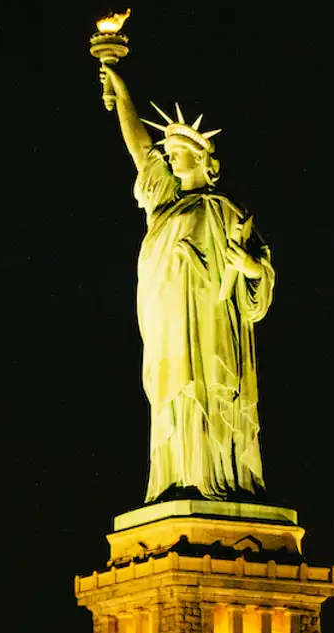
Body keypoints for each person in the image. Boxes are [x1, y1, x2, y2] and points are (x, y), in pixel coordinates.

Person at [102, 63, 275, 502]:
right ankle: (179, 477)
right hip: (171, 326)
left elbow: (260, 283)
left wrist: (252, 268)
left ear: (200, 157)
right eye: (169, 150)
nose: (168, 154)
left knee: (213, 394)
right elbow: (140, 151)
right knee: (175, 398)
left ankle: (222, 477)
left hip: (215, 326)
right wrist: (123, 96)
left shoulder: (226, 211)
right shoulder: (164, 204)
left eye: (177, 150)